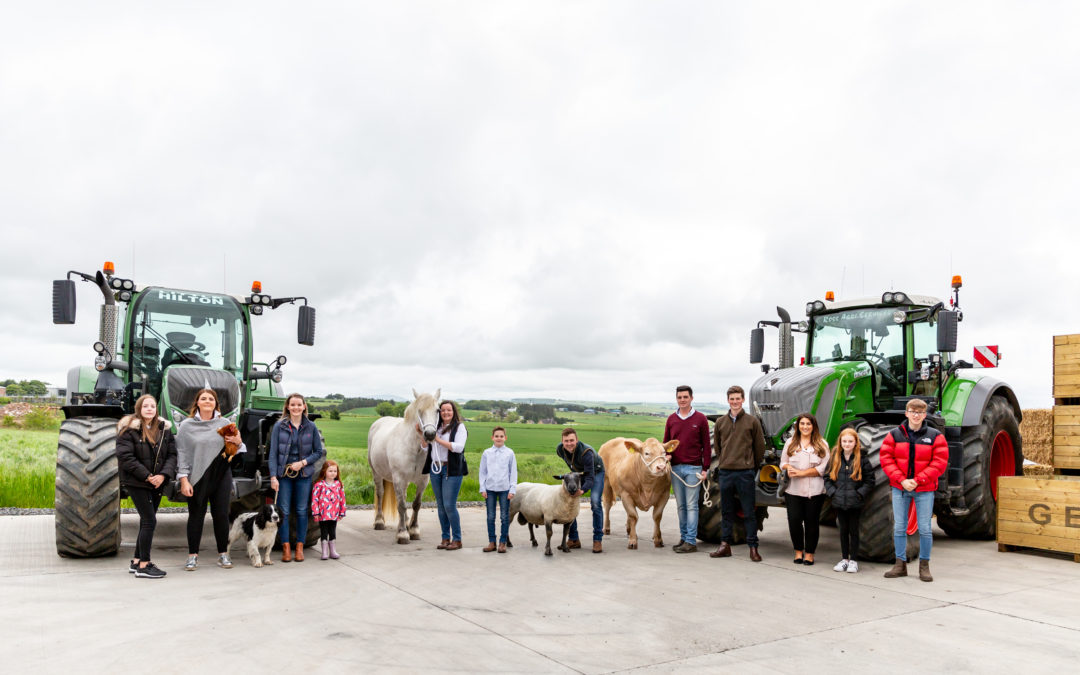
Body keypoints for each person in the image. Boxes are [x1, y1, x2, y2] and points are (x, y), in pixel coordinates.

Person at [176, 388, 246, 571]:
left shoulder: (225, 423)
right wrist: (183, 479)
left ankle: (223, 554)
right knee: (196, 516)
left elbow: (237, 449)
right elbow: (181, 454)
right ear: (197, 403)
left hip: (222, 474)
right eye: (203, 398)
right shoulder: (187, 425)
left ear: (216, 404)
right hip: (197, 476)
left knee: (221, 515)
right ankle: (192, 557)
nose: (207, 401)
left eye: (211, 399)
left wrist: (239, 442)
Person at [879, 397, 948, 582]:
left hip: (924, 489)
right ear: (906, 413)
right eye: (913, 412)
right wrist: (902, 480)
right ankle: (900, 564)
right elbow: (886, 458)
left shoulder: (935, 436)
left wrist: (918, 480)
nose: (916, 415)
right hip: (900, 488)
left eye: (920, 412)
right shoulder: (894, 435)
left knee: (925, 529)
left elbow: (939, 462)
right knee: (899, 527)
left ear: (924, 415)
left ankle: (924, 566)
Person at [116, 394, 177, 579]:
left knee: (146, 521)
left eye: (152, 406)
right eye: (145, 406)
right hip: (137, 482)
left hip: (158, 481)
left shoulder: (164, 429)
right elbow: (126, 457)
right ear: (139, 409)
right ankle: (144, 565)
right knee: (150, 521)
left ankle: (136, 561)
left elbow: (172, 455)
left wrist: (163, 476)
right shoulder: (128, 430)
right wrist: (148, 476)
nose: (149, 409)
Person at [710, 385, 766, 562]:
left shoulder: (752, 422)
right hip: (726, 473)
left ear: (742, 400)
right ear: (728, 400)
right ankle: (725, 545)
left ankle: (753, 547)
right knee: (726, 511)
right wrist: (725, 461)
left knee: (749, 512)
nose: (735, 402)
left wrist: (750, 466)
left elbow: (759, 448)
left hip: (745, 473)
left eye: (738, 398)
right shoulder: (720, 422)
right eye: (732, 399)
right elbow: (718, 447)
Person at [269, 392, 326, 562]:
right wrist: (273, 477)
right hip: (284, 475)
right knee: (284, 511)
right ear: (287, 406)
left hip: (304, 475)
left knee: (302, 511)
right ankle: (286, 547)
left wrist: (302, 463)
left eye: (299, 405)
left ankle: (299, 547)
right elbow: (273, 453)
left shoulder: (311, 427)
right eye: (292, 405)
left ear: (304, 407)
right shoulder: (279, 426)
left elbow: (318, 452)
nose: (295, 408)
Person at [663, 385, 711, 553]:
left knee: (691, 505)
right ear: (676, 399)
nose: (682, 400)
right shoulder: (671, 419)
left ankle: (691, 541)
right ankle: (684, 538)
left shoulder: (700, 419)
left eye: (685, 397)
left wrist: (705, 468)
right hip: (676, 468)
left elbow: (706, 445)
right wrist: (667, 455)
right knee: (681, 506)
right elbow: (667, 444)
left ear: (691, 398)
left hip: (693, 468)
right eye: (679, 397)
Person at [780, 413, 830, 565]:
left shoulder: (822, 444)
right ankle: (798, 551)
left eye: (808, 424)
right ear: (797, 426)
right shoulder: (790, 443)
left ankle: (809, 553)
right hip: (793, 490)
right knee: (794, 521)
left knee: (812, 522)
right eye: (802, 424)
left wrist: (802, 473)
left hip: (814, 491)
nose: (805, 427)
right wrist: (788, 468)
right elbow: (783, 462)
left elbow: (823, 468)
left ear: (813, 426)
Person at [824, 428, 874, 573]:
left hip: (855, 503)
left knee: (854, 531)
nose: (847, 444)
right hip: (839, 502)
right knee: (843, 531)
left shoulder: (862, 459)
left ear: (855, 442)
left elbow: (870, 481)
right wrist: (833, 493)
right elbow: (827, 478)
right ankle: (844, 559)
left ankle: (854, 560)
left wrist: (859, 494)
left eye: (850, 441)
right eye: (844, 441)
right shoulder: (835, 458)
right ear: (840, 442)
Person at [424, 400, 468, 551]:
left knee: (449, 505)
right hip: (436, 468)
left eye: (448, 410)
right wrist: (422, 437)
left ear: (453, 411)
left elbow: (458, 447)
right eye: (443, 411)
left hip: (451, 469)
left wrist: (437, 439)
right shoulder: (435, 428)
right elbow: (426, 450)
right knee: (441, 506)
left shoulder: (459, 427)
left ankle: (457, 539)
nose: (446, 413)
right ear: (439, 413)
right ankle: (445, 538)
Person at [556, 427, 605, 553]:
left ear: (576, 440)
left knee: (595, 502)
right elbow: (571, 465)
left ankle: (597, 539)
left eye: (572, 440)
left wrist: (582, 490)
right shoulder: (560, 450)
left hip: (596, 472)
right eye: (566, 441)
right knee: (570, 502)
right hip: (579, 472)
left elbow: (590, 478)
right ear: (562, 441)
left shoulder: (586, 452)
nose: (569, 443)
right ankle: (574, 539)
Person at [479, 427, 517, 553]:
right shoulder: (487, 453)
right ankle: (492, 542)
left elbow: (513, 472)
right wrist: (482, 487)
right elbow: (482, 472)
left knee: (504, 516)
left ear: (505, 438)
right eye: (496, 436)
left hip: (504, 489)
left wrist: (512, 489)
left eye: (501, 436)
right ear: (492, 438)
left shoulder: (510, 453)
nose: (499, 438)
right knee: (490, 516)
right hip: (489, 489)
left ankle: (502, 542)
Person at [311, 459, 346, 560]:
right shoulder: (319, 485)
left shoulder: (338, 485)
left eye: (335, 471)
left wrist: (342, 512)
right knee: (324, 531)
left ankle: (333, 551)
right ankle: (325, 551)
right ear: (324, 471)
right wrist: (316, 513)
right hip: (323, 514)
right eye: (330, 471)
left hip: (334, 513)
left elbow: (342, 499)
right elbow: (315, 500)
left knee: (332, 531)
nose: (333, 473)